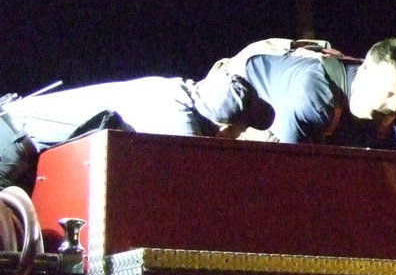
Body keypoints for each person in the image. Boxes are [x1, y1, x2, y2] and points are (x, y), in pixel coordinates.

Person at [0, 73, 272, 192]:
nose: (240, 137)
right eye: (242, 130)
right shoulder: (177, 121)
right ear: (225, 129)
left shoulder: (173, 89)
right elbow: (193, 187)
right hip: (11, 141)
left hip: (20, 145)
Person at [208, 36, 396, 150]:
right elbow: (293, 175)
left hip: (316, 119)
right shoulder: (314, 101)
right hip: (247, 92)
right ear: (364, 74)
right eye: (388, 93)